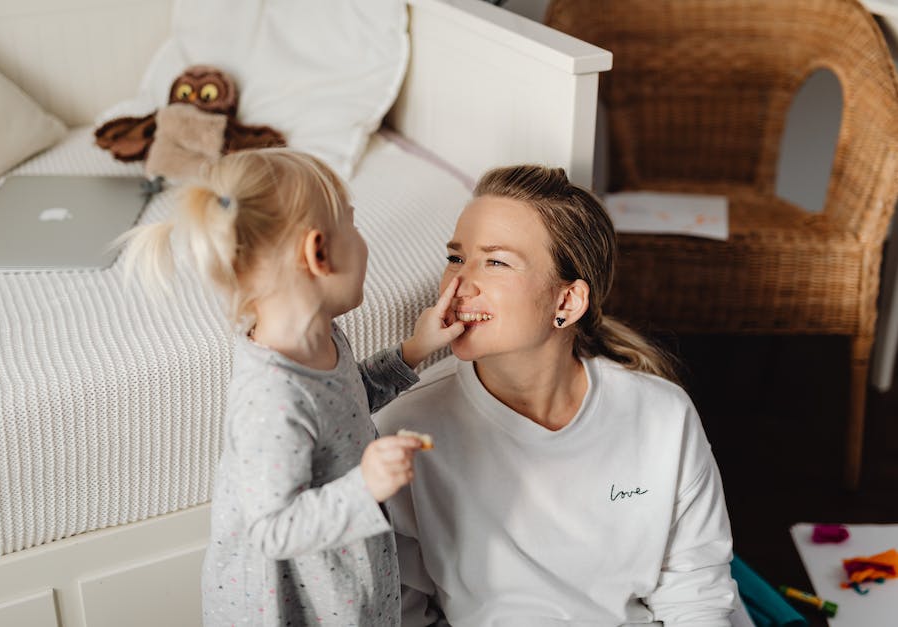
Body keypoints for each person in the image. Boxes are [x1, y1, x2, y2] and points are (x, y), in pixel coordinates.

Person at [374, 165, 739, 626]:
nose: (458, 285)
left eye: (496, 261)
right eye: (455, 257)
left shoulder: (663, 417)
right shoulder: (403, 429)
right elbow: (400, 610)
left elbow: (696, 595)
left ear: (567, 302)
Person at [120, 148, 465, 626]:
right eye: (353, 225)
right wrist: (363, 485)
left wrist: (412, 351)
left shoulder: (322, 334)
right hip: (294, 602)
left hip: (338, 571)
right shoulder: (272, 397)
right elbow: (273, 529)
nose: (364, 243)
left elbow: (343, 412)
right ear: (318, 253)